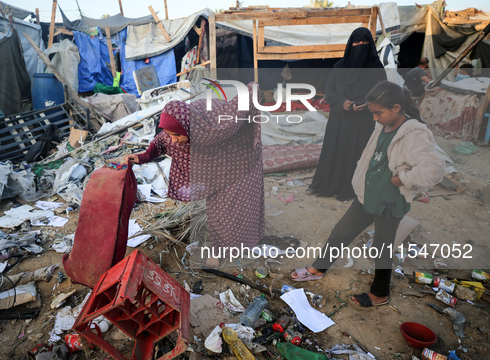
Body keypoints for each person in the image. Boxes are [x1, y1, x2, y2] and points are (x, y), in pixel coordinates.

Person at [290, 81, 446, 308]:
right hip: (368, 193)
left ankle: (380, 293)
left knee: (382, 249)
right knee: (341, 232)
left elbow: (435, 169)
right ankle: (318, 268)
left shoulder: (415, 133)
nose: (374, 118)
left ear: (395, 108)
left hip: (389, 201)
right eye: (373, 113)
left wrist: (403, 179)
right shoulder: (383, 125)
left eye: (378, 113)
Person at [127, 83, 265, 267]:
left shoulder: (214, 121)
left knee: (244, 206)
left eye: (176, 134)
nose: (173, 139)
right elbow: (159, 143)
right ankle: (218, 251)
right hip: (214, 174)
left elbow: (244, 101)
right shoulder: (174, 131)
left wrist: (252, 96)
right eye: (170, 134)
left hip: (240, 159)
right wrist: (141, 157)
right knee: (219, 213)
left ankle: (248, 239)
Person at [308, 27, 387, 201]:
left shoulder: (376, 68)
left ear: (371, 45)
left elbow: (383, 92)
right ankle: (329, 185)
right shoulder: (339, 67)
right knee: (335, 151)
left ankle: (350, 188)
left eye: (364, 42)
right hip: (340, 119)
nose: (360, 46)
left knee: (356, 154)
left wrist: (368, 105)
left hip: (362, 121)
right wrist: (342, 102)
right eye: (356, 42)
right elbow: (329, 90)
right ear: (350, 44)